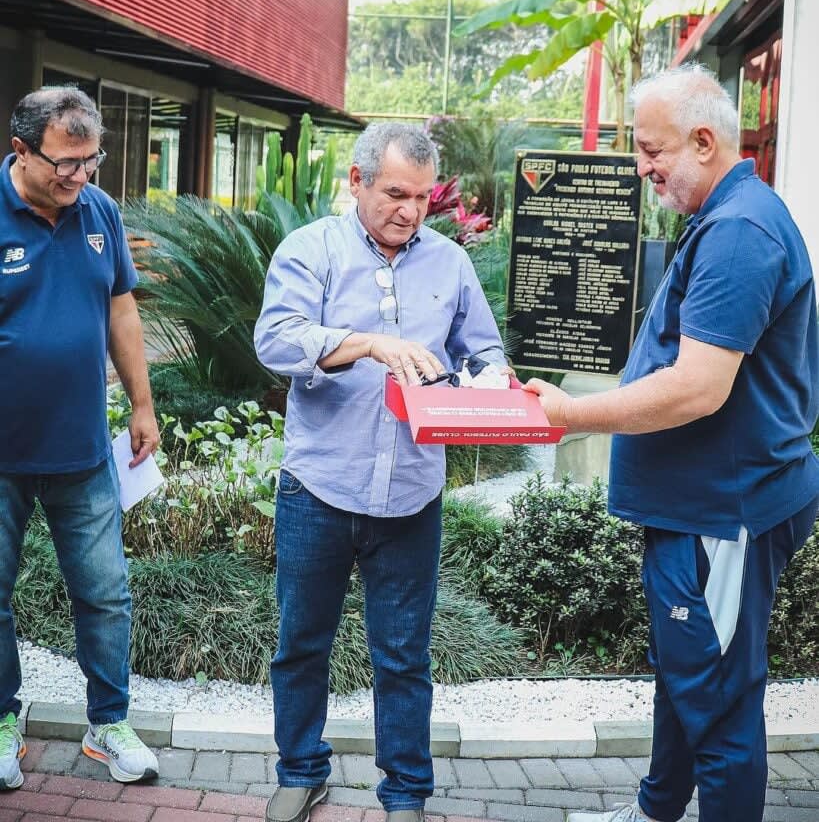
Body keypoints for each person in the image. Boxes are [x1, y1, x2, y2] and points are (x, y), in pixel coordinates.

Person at [526, 65, 819, 822]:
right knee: (686, 676)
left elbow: (696, 388)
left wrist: (570, 415)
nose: (641, 167)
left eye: (651, 151)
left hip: (722, 513)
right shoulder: (728, 217)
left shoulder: (737, 233)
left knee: (717, 703)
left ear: (701, 139)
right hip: (699, 509)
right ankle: (655, 813)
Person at [254, 122, 506, 822]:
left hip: (412, 492)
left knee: (403, 656)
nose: (409, 210)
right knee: (301, 642)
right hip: (319, 489)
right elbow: (275, 340)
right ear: (357, 181)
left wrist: (496, 381)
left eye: (423, 198)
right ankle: (301, 771)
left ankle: (404, 795)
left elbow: (481, 350)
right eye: (396, 193)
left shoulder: (449, 265)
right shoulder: (311, 251)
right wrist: (364, 344)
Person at [0, 86, 161, 788]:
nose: (78, 177)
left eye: (89, 161)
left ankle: (109, 723)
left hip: (81, 449)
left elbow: (121, 310)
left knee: (104, 592)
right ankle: (3, 722)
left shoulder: (99, 211)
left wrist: (141, 404)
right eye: (64, 163)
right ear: (22, 151)